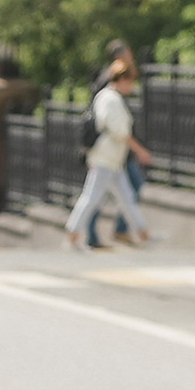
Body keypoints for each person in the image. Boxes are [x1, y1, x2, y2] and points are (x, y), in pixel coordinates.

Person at [66, 58, 153, 250]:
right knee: (94, 196)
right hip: (105, 158)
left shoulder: (109, 98)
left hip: (113, 160)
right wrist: (140, 151)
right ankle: (73, 230)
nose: (131, 86)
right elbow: (120, 132)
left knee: (125, 196)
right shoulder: (110, 99)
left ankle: (143, 231)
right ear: (122, 80)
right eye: (130, 81)